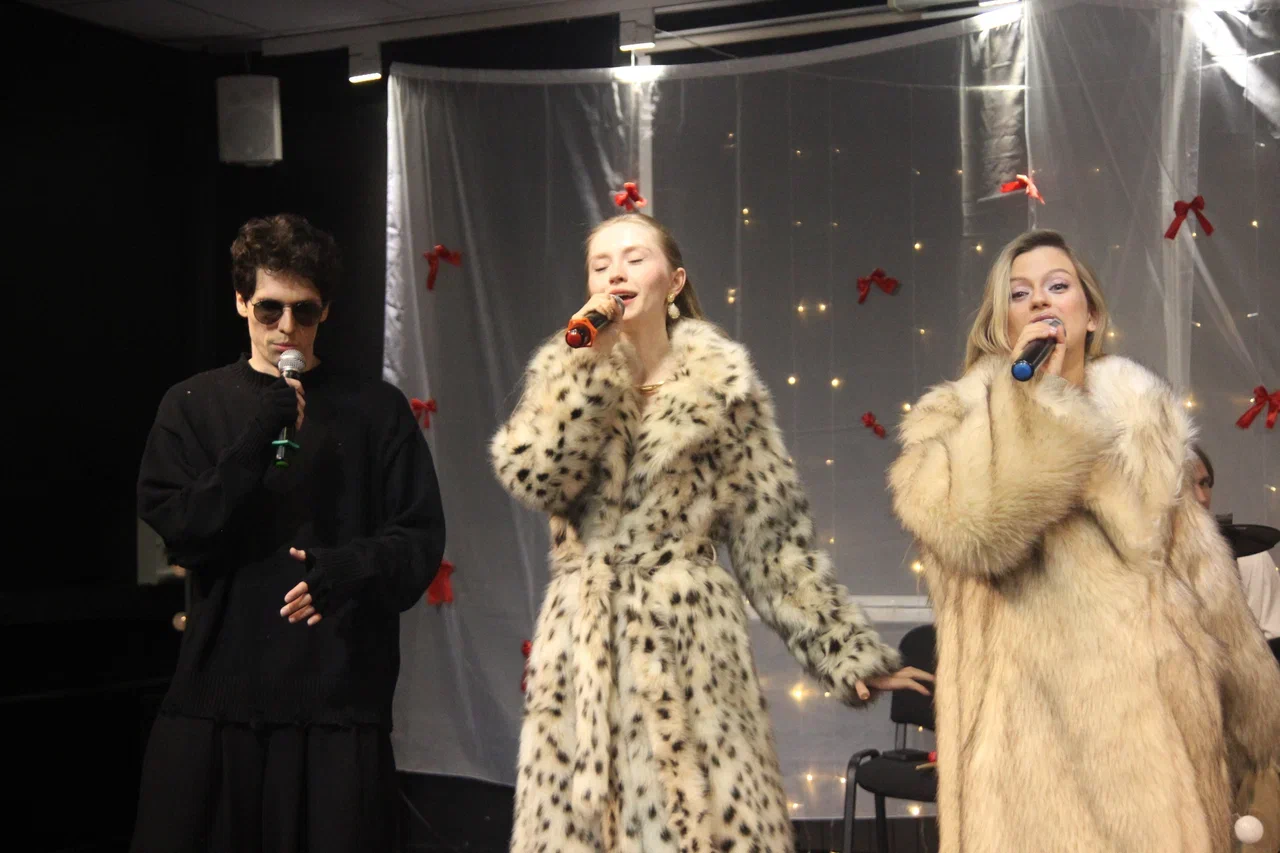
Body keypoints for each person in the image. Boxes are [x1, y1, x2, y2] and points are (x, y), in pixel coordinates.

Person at [490, 212, 932, 853]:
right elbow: (534, 478)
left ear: (673, 282)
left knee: (706, 825)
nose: (615, 273)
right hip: (585, 644)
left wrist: (843, 650)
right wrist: (583, 371)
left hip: (690, 638)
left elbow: (771, 538)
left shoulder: (724, 389)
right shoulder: (566, 372)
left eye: (635, 258)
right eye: (600, 264)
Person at [887, 228, 1280, 853]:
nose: (1041, 301)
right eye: (1020, 294)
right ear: (1002, 323)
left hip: (1152, 746)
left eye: (1057, 286)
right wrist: (1029, 401)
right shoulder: (954, 423)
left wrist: (1256, 729)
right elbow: (976, 533)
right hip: (1022, 758)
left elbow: (1202, 577)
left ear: (1090, 314)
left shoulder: (1144, 420)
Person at [131, 214, 446, 853]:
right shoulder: (191, 404)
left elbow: (418, 542)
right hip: (220, 694)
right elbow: (182, 529)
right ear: (241, 301)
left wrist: (347, 567)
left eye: (304, 311)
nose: (286, 328)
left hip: (337, 702)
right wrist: (258, 438)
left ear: (325, 311)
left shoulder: (376, 410)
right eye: (269, 309)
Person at [1191, 444, 1280, 643]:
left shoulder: (1249, 557)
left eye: (1204, 483)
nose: (1202, 498)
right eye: (1186, 485)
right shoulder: (1139, 567)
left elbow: (1273, 646)